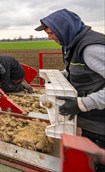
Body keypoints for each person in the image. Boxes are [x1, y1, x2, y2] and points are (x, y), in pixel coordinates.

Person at [35, 9, 105, 151]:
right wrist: (59, 77)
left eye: (51, 33)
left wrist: (82, 104)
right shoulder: (72, 45)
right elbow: (80, 72)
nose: (49, 38)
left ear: (63, 29)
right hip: (92, 120)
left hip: (100, 124)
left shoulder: (91, 49)